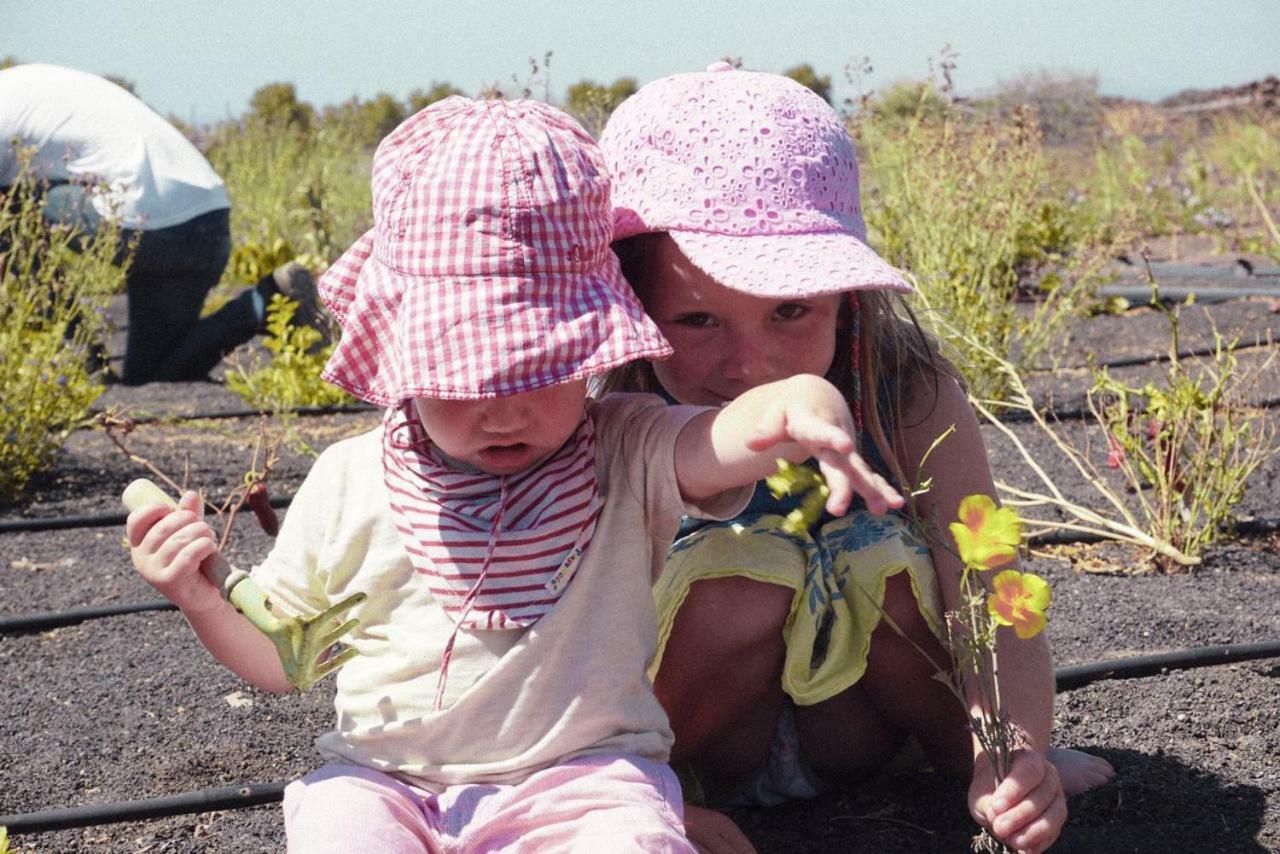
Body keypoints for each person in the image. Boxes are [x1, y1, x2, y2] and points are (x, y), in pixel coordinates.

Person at [126, 97, 904, 853]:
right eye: (462, 378)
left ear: (592, 351)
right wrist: (198, 590)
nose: (503, 411)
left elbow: (723, 439)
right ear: (402, 356)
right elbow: (285, 660)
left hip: (584, 781)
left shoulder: (624, 451)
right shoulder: (350, 480)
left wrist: (801, 401)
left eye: (537, 368)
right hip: (384, 781)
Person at [598, 64, 1116, 854]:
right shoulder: (613, 407)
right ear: (632, 300)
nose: (750, 362)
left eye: (791, 309)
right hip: (697, 740)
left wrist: (1018, 747)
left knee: (883, 560)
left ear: (847, 296)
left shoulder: (905, 392)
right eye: (698, 319)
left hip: (861, 731)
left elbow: (991, 576)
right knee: (739, 572)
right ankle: (641, 795)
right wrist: (600, 797)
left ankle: (983, 768)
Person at [0, 63, 316, 385]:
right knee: (152, 375)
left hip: (148, 225)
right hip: (207, 222)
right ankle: (269, 299)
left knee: (7, 208)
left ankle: (78, 357)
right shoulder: (31, 85)